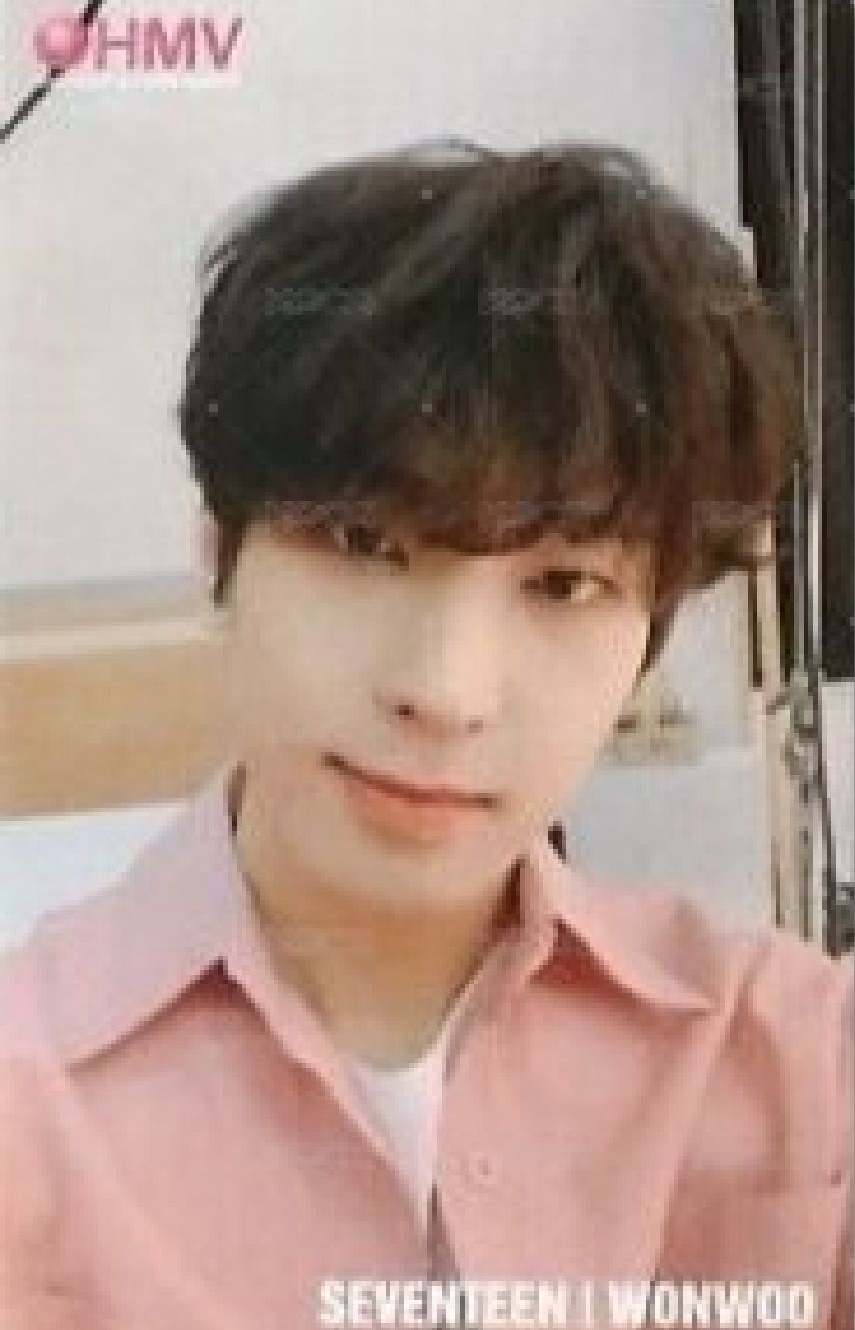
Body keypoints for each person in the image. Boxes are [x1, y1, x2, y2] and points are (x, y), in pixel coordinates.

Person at [0, 140, 851, 1330]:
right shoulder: (27, 1104)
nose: (446, 692)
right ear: (220, 551)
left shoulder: (801, 1059)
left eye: (563, 584)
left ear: (648, 639)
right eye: (365, 545)